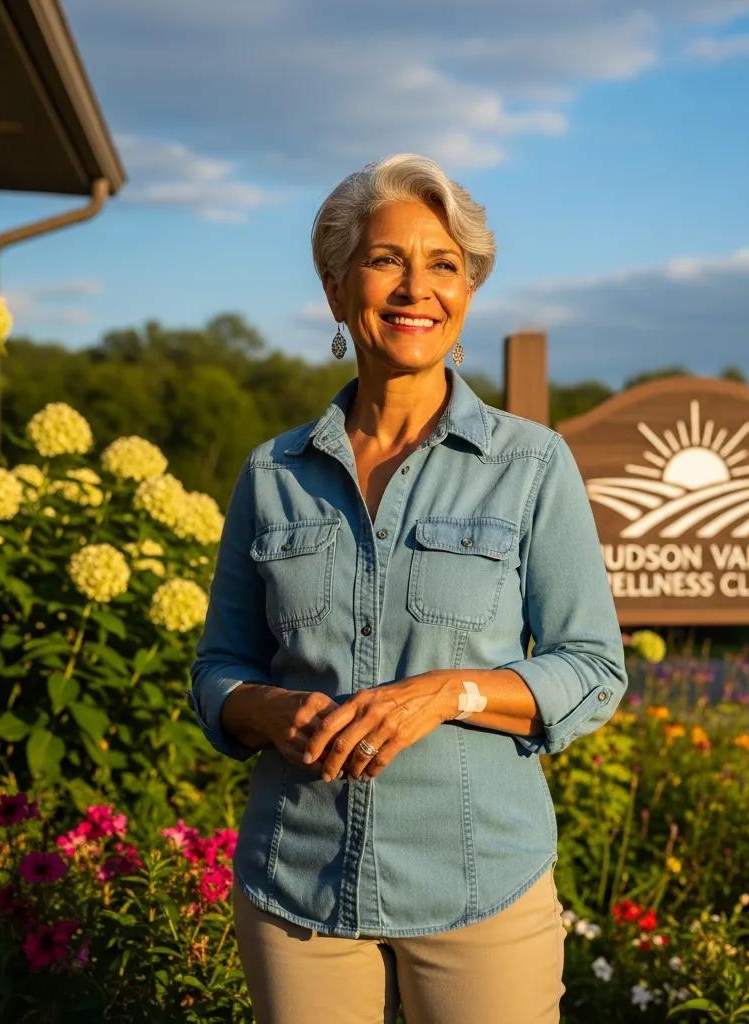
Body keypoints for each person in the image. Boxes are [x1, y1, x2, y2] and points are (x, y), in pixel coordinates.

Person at [189, 152, 628, 1024]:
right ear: (336, 286)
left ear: (467, 292)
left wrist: (449, 692)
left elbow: (592, 667)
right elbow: (218, 668)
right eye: (386, 259)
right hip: (298, 890)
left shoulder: (531, 464)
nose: (414, 287)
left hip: (481, 884)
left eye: (443, 265)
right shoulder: (271, 472)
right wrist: (264, 709)